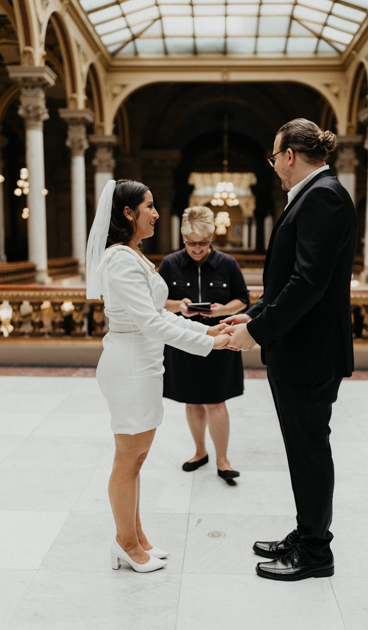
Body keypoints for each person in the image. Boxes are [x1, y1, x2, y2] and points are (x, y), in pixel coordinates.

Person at [225, 119, 357, 581]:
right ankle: (307, 534)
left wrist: (259, 332)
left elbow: (308, 284)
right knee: (303, 450)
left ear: (289, 156)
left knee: (309, 451)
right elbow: (290, 281)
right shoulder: (316, 194)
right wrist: (255, 316)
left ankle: (317, 553)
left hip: (310, 353)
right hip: (302, 349)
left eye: (274, 157)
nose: (275, 166)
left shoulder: (322, 195)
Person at [86, 180, 231, 574]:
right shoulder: (119, 259)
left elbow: (160, 314)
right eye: (149, 206)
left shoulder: (134, 255)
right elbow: (150, 323)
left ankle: (138, 538)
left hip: (143, 364)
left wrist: (209, 332)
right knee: (128, 459)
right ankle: (125, 544)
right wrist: (211, 346)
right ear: (128, 214)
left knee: (138, 457)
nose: (156, 212)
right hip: (130, 366)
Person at [159, 206, 249, 481]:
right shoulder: (170, 264)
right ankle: (200, 452)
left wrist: (222, 310)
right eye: (191, 243)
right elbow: (157, 302)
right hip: (183, 341)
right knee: (193, 401)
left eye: (203, 243)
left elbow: (243, 299)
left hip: (221, 338)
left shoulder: (227, 263)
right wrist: (180, 306)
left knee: (217, 402)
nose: (197, 249)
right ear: (183, 237)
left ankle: (222, 459)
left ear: (211, 237)